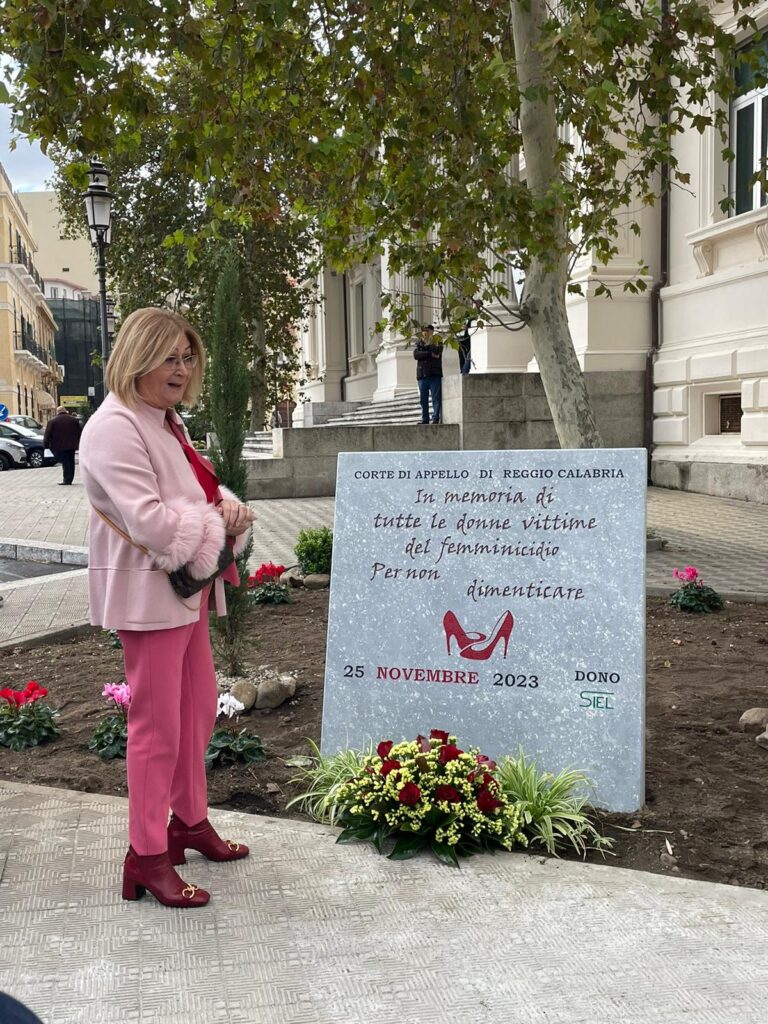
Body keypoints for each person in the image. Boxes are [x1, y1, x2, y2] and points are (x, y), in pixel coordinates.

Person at [79, 307, 256, 909]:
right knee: (155, 728)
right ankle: (146, 855)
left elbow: (193, 497)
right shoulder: (115, 425)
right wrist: (216, 525)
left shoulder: (163, 420)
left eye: (186, 357)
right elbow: (150, 522)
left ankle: (188, 821)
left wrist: (226, 510)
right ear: (137, 357)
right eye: (168, 357)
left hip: (183, 590)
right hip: (148, 593)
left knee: (199, 707)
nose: (180, 369)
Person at [43, 405, 82, 485]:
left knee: (65, 462)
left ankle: (66, 480)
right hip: (72, 445)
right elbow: (79, 432)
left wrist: (45, 445)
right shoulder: (74, 420)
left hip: (59, 445)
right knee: (71, 461)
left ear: (58, 412)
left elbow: (47, 434)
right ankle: (70, 478)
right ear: (65, 411)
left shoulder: (53, 421)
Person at [413, 323, 443, 424]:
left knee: (436, 398)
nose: (425, 333)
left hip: (434, 374)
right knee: (423, 399)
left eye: (427, 331)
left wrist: (429, 344)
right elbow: (416, 355)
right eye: (424, 331)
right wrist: (429, 354)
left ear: (432, 332)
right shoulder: (419, 343)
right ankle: (425, 419)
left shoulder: (438, 342)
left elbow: (438, 352)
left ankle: (435, 418)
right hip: (423, 375)